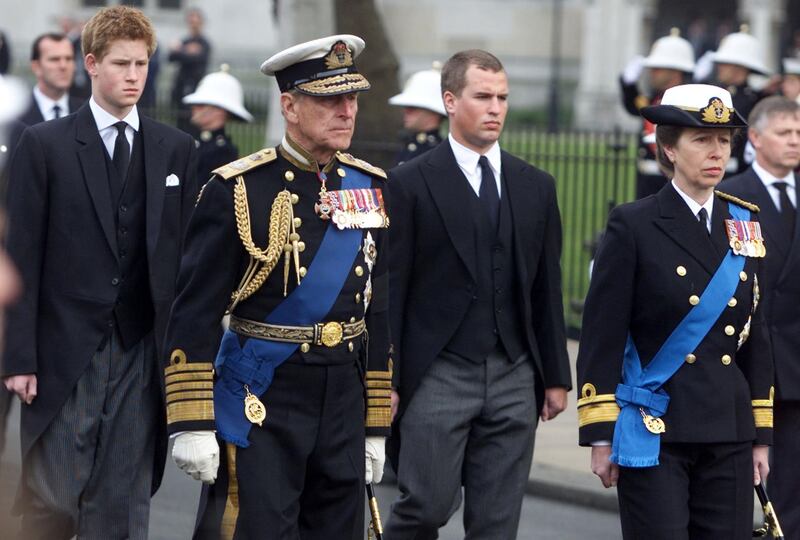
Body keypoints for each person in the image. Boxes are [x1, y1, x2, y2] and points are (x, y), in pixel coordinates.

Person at [163, 34, 391, 539]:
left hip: (342, 400)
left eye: (352, 98)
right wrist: (192, 420)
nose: (347, 111)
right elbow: (195, 310)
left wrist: (375, 423)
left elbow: (378, 311)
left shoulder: (368, 186)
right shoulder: (240, 189)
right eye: (330, 99)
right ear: (289, 105)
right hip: (264, 396)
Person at [1, 6, 199, 539]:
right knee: (57, 494)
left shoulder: (175, 148)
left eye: (142, 64)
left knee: (124, 494)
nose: (134, 76)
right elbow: (20, 255)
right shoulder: (44, 146)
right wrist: (18, 357)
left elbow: (184, 259)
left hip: (140, 348)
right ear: (91, 64)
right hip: (66, 348)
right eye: (121, 64)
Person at [385, 49, 571, 539]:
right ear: (450, 101)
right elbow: (392, 287)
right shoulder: (409, 183)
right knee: (425, 506)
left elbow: (545, 288)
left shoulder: (537, 187)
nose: (496, 108)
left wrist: (554, 374)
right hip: (439, 372)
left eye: (503, 98)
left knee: (496, 522)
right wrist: (391, 378)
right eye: (483, 96)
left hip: (515, 372)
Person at [577, 84, 773, 539]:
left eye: (724, 141)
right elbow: (603, 332)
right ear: (668, 147)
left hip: (728, 426)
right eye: (701, 140)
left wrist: (761, 435)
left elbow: (755, 334)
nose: (717, 152)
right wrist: (601, 434)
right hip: (657, 426)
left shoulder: (743, 223)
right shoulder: (633, 223)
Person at [722, 96, 800, 539]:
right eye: (784, 132)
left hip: (798, 357)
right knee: (744, 477)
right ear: (755, 137)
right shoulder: (734, 196)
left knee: (793, 484)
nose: (794, 141)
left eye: (799, 133)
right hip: (752, 357)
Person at [620, 28, 696, 199]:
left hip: (674, 181)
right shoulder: (655, 98)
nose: (652, 72)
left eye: (658, 68)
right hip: (647, 182)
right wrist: (628, 86)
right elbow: (635, 108)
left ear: (675, 70)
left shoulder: (688, 101)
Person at [703, 26, 771, 175]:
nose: (719, 67)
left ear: (740, 67)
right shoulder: (714, 93)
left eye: (725, 63)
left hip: (738, 174)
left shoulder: (755, 101)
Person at [182, 64, 252, 182]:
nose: (194, 108)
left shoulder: (223, 151)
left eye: (201, 105)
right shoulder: (192, 140)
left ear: (220, 111)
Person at [19, 33, 83, 126]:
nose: (63, 66)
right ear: (36, 67)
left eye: (69, 59)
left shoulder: (86, 112)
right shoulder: (16, 113)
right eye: (54, 59)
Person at [388, 63, 446, 165]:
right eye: (406, 106)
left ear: (433, 111)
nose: (406, 111)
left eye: (413, 107)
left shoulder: (435, 152)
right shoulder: (412, 144)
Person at [168, 7, 211, 133]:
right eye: (191, 22)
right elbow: (171, 57)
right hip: (180, 87)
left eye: (195, 21)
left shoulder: (205, 43)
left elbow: (199, 59)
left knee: (193, 123)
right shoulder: (185, 41)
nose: (193, 25)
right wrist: (187, 51)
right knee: (179, 122)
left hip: (196, 87)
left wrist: (181, 50)